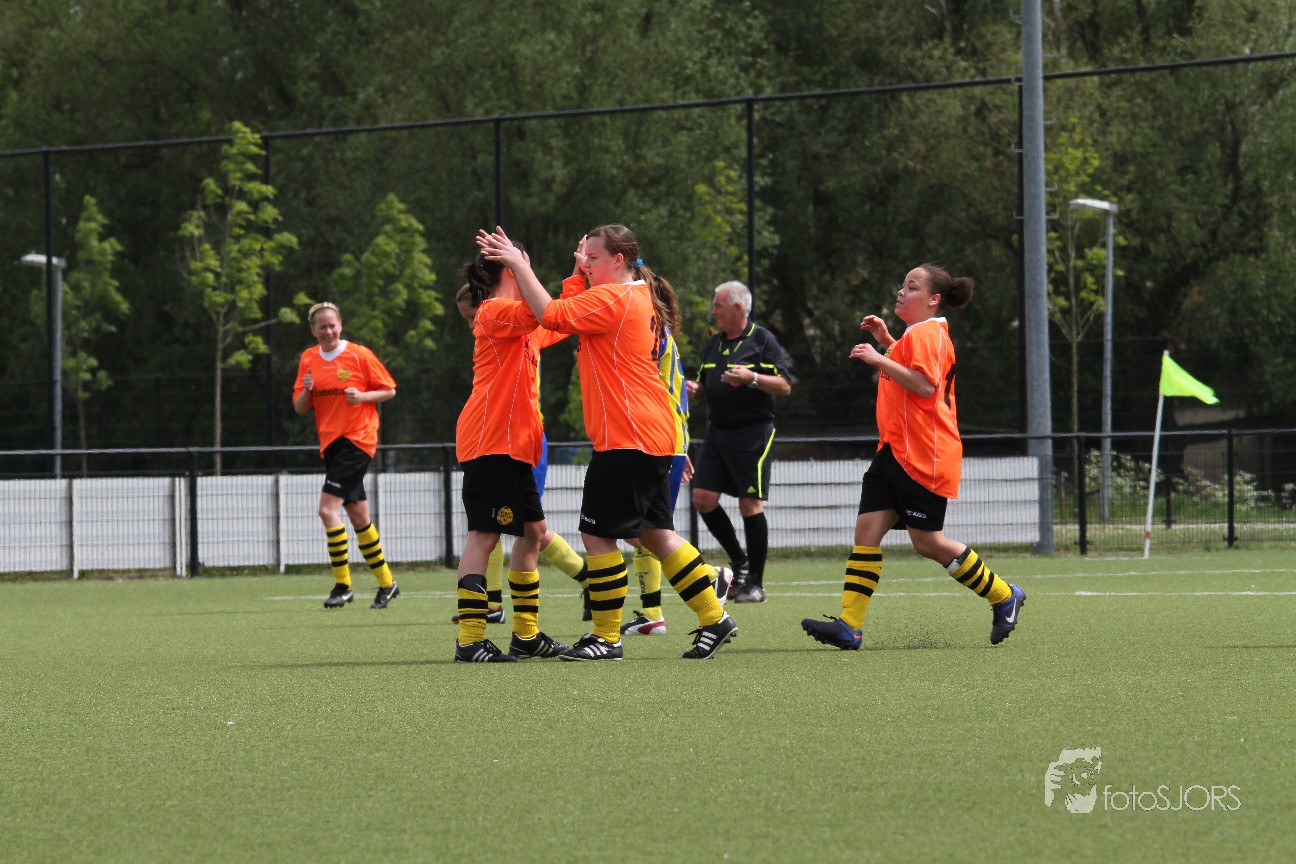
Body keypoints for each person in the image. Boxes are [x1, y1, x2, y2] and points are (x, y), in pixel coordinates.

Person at [478, 224, 737, 661]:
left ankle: (606, 637)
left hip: (627, 436)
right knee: (657, 535)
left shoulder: (614, 297)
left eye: (593, 258)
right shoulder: (629, 295)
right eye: (585, 258)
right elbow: (560, 314)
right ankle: (715, 617)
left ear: (618, 261)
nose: (586, 264)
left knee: (596, 535)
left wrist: (519, 265)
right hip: (649, 433)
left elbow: (552, 314)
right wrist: (577, 272)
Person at [801, 264, 1026, 650]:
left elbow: (923, 385)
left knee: (928, 543)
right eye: (902, 285)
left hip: (925, 454)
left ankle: (1004, 595)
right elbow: (909, 369)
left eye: (912, 287)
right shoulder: (916, 334)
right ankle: (850, 627)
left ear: (934, 299)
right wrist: (887, 340)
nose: (901, 292)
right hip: (895, 450)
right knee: (866, 533)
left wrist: (877, 358)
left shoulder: (930, 333)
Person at [451, 248, 574, 662]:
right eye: (522, 262)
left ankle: (526, 635)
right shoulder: (494, 310)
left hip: (514, 445)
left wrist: (579, 274)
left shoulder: (521, 318)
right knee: (484, 536)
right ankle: (470, 641)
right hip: (491, 441)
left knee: (533, 533)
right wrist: (524, 266)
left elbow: (560, 317)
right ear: (509, 270)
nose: (528, 267)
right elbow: (544, 312)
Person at [621, 288, 732, 637]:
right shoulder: (655, 332)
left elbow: (651, 391)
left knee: (644, 529)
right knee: (642, 529)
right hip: (661, 440)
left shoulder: (650, 333)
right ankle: (653, 613)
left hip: (659, 440)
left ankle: (710, 578)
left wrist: (674, 447)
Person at [685, 280, 792, 603]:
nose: (712, 311)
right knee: (702, 498)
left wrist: (752, 378)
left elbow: (785, 385)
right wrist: (696, 391)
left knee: (749, 504)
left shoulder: (762, 340)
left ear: (737, 308)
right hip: (717, 433)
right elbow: (706, 386)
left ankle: (755, 583)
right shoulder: (713, 343)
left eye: (717, 306)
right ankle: (740, 563)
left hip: (752, 433)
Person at [292, 302, 400, 610]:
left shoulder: (359, 354)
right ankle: (387, 583)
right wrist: (307, 391)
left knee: (327, 510)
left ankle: (343, 585)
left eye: (332, 325)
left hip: (357, 439)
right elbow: (299, 407)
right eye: (322, 327)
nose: (328, 331)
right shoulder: (308, 359)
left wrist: (363, 396)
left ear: (340, 326)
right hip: (331, 444)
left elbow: (389, 389)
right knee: (359, 517)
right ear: (313, 330)